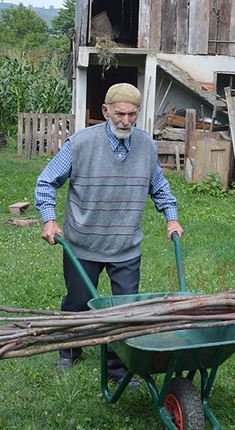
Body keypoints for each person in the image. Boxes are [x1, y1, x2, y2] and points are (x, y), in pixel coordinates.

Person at [34, 83, 184, 384]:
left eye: (132, 114)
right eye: (119, 114)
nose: (126, 121)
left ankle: (119, 367)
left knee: (125, 310)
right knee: (77, 302)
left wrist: (171, 218)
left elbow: (160, 187)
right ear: (105, 111)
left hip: (125, 246)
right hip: (82, 243)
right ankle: (69, 349)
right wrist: (49, 220)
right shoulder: (80, 144)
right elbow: (46, 182)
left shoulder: (145, 146)